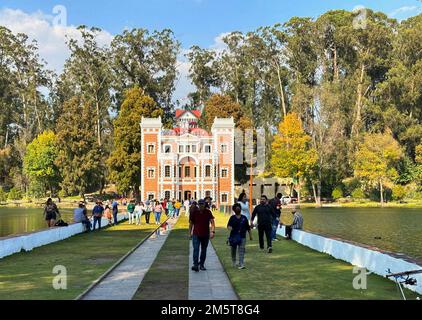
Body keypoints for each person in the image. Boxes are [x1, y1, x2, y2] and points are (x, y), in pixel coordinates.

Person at [189, 199, 215, 272]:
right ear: (198, 204)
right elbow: (191, 223)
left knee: (204, 250)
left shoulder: (208, 212)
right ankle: (195, 264)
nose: (201, 205)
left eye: (202, 204)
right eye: (200, 204)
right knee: (196, 249)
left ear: (204, 204)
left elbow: (212, 222)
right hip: (196, 234)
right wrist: (190, 233)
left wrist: (212, 231)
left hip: (205, 234)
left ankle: (202, 264)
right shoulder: (195, 212)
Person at [227, 203, 253, 269]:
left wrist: (250, 235)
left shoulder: (244, 218)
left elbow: (248, 227)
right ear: (234, 210)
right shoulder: (232, 218)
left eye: (239, 207)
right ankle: (234, 262)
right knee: (233, 250)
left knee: (241, 250)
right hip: (233, 236)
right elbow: (228, 226)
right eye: (236, 208)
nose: (238, 208)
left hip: (242, 236)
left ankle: (241, 263)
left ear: (240, 209)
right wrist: (230, 228)